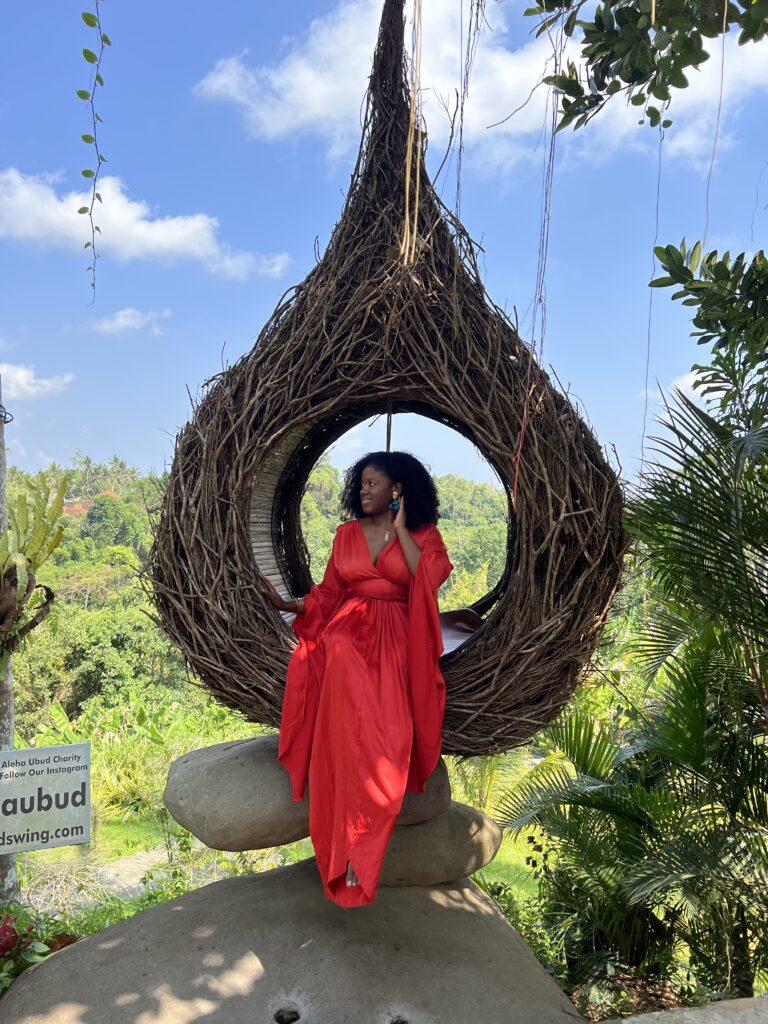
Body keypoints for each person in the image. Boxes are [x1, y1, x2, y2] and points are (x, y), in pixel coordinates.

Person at [258, 451, 454, 908]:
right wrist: (289, 607)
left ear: (397, 490)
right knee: (337, 655)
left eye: (373, 483)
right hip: (348, 632)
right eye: (361, 483)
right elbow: (329, 593)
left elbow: (428, 579)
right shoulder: (346, 534)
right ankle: (338, 846)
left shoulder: (424, 535)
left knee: (386, 740)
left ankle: (365, 846)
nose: (363, 491)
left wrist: (403, 531)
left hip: (399, 636)